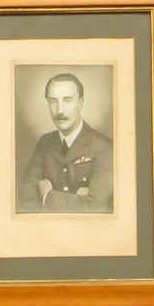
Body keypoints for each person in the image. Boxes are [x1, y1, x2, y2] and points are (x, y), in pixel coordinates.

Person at [17, 73, 113, 212]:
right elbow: (26, 198)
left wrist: (48, 196)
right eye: (53, 101)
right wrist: (77, 201)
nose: (59, 110)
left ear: (80, 103)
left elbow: (95, 207)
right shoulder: (45, 142)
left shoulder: (105, 147)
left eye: (67, 100)